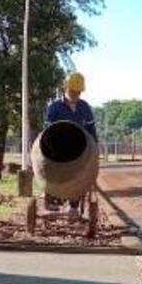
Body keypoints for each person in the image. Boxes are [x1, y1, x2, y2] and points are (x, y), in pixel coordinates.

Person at [44, 72, 98, 213]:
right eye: (73, 91)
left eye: (78, 92)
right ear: (65, 88)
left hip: (79, 149)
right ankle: (52, 198)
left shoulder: (84, 107)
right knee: (54, 171)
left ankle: (73, 205)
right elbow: (48, 131)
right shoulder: (54, 107)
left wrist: (95, 149)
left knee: (79, 174)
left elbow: (91, 130)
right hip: (58, 149)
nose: (75, 94)